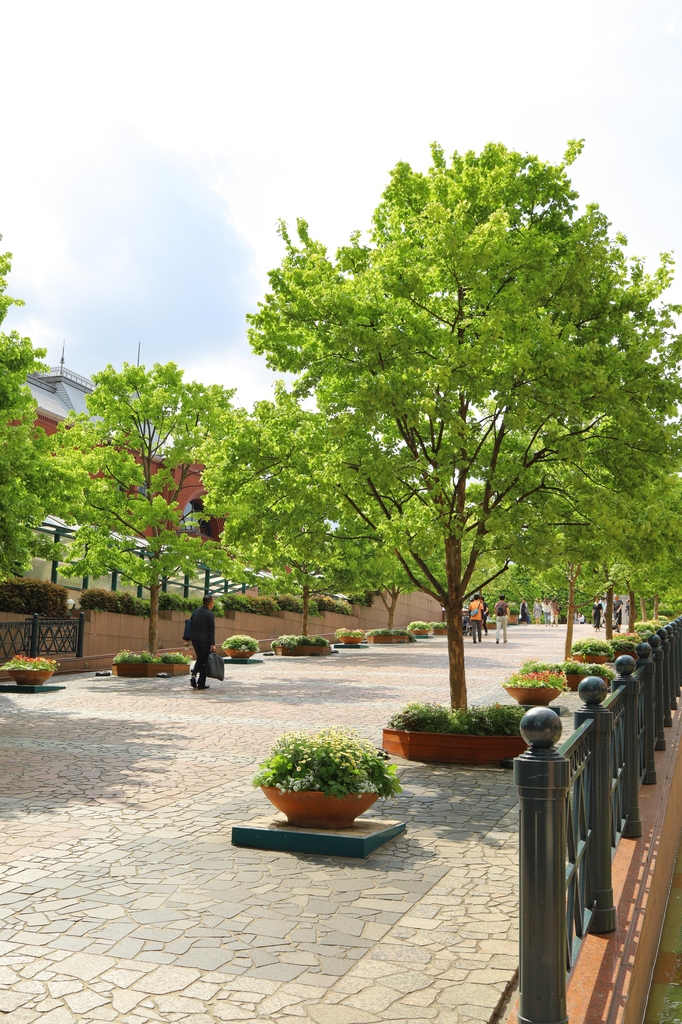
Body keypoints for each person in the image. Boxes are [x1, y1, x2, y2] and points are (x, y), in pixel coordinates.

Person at [189, 594, 217, 690]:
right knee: (203, 661)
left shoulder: (195, 612)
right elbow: (211, 630)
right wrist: (213, 644)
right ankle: (199, 681)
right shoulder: (210, 614)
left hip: (194, 639)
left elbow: (190, 624)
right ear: (210, 603)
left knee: (201, 658)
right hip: (204, 640)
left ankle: (196, 677)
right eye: (213, 602)